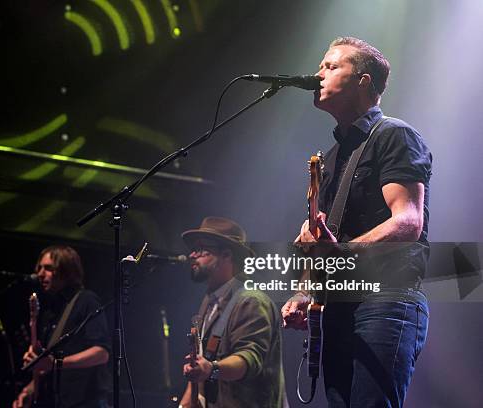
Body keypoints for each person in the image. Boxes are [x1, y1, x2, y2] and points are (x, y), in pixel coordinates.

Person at [281, 37, 432, 407]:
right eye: (320, 66)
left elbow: (409, 221)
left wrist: (341, 251)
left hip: (386, 300)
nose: (318, 74)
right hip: (338, 305)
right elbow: (325, 243)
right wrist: (305, 291)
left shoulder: (394, 135)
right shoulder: (331, 157)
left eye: (331, 67)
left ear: (363, 81)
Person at [179, 216, 286, 408]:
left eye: (201, 248)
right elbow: (201, 365)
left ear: (227, 255)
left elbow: (249, 359)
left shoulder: (252, 301)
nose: (192, 255)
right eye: (192, 249)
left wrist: (211, 369)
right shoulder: (209, 301)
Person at [12, 245, 110, 408]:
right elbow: (47, 366)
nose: (40, 274)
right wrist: (29, 390)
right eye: (40, 268)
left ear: (67, 271)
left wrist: (57, 363)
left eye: (49, 268)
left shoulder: (87, 301)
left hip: (85, 402)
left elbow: (102, 353)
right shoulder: (51, 310)